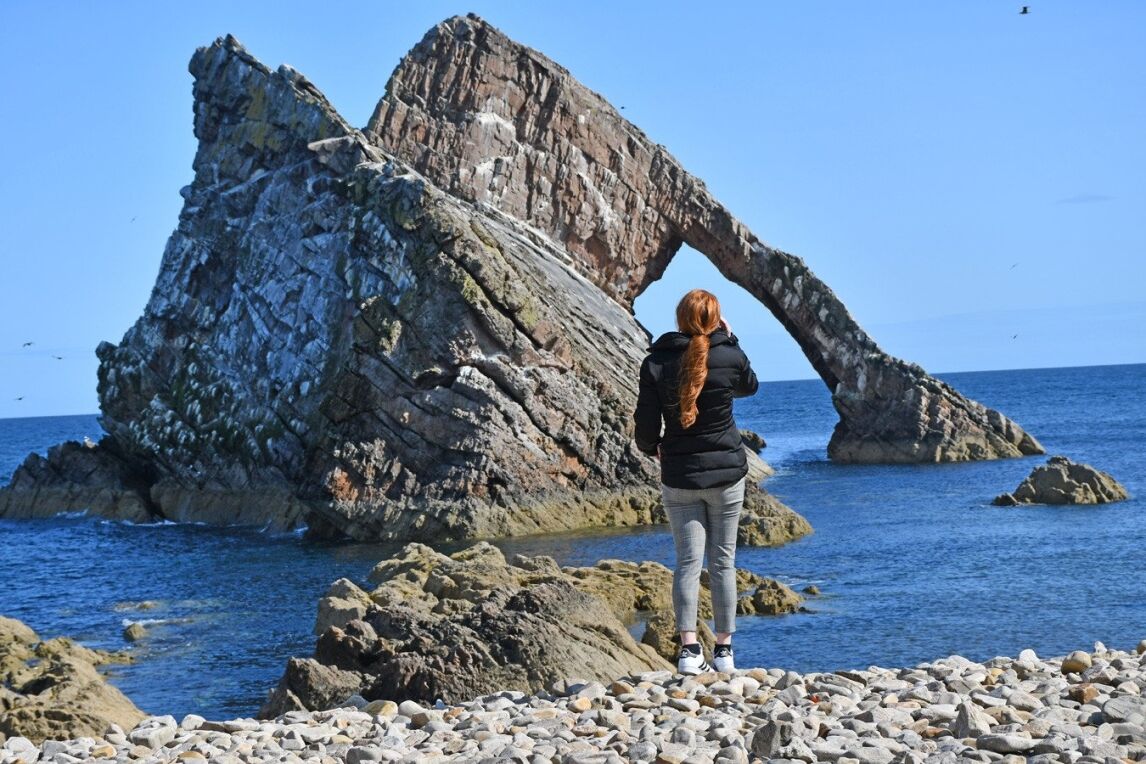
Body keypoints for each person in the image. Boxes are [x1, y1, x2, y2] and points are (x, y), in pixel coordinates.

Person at [633, 288, 759, 674]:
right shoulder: (729, 355)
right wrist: (731, 339)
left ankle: (689, 652)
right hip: (727, 475)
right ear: (716, 319)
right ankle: (724, 653)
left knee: (687, 564)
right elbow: (749, 386)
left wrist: (652, 446)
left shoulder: (655, 362)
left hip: (679, 475)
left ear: (680, 318)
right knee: (723, 563)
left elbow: (645, 421)